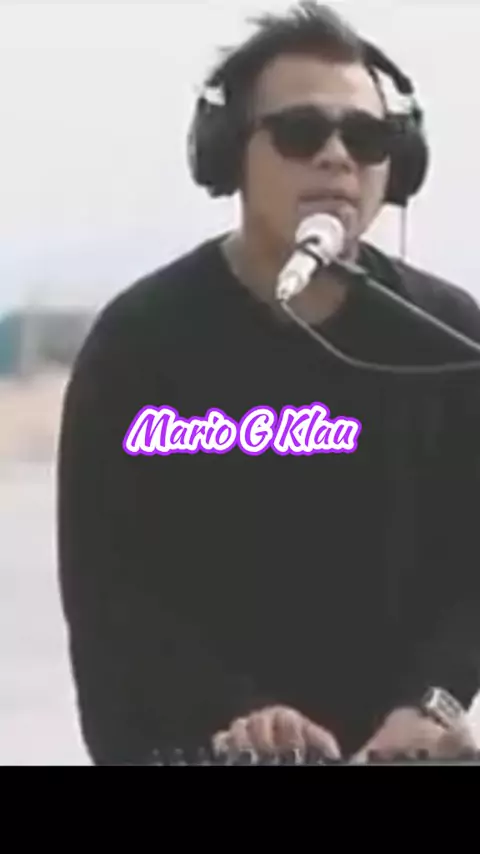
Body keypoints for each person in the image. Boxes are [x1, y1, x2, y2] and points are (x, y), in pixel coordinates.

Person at [57, 1, 480, 765]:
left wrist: (433, 703)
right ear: (228, 153)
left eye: (366, 138)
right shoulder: (140, 342)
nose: (337, 158)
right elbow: (111, 593)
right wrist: (237, 715)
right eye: (300, 132)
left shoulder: (451, 338)